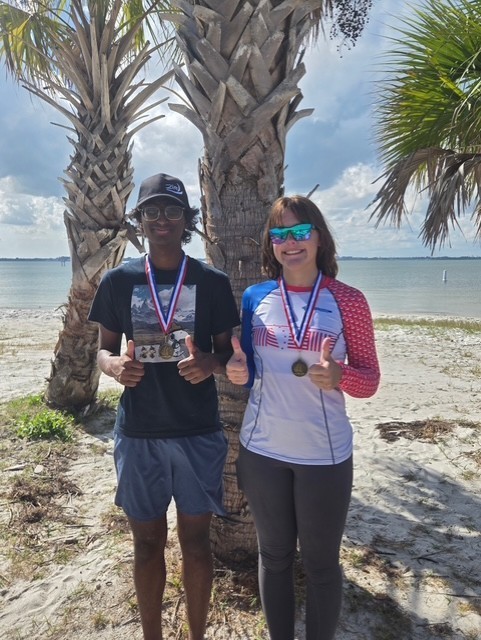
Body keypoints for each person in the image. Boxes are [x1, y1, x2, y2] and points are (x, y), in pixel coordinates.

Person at [88, 172, 240, 640]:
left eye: (173, 210)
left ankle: (197, 636)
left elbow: (228, 353)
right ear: (139, 220)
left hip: (197, 431)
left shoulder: (211, 281)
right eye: (151, 211)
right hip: (139, 433)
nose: (162, 219)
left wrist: (209, 363)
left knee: (196, 546)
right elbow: (103, 350)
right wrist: (114, 368)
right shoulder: (120, 280)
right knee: (146, 544)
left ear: (187, 220)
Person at [226, 195, 380, 640]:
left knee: (321, 565)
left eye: (299, 232)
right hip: (262, 452)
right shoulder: (257, 297)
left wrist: (340, 375)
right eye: (280, 234)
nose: (290, 243)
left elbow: (369, 381)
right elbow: (252, 369)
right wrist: (239, 370)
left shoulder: (347, 300)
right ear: (270, 244)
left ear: (318, 237)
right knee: (273, 556)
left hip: (324, 455)